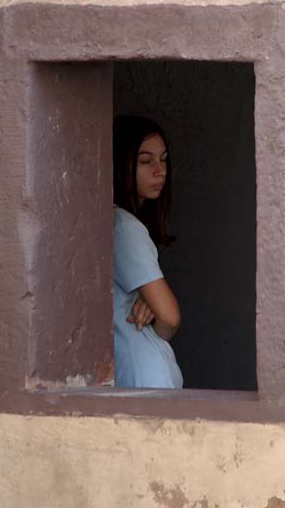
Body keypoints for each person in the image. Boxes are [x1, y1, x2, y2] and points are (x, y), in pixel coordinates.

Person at [112, 115, 183, 389]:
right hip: (145, 371)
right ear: (120, 164)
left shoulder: (122, 224)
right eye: (145, 161)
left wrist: (151, 301)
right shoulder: (124, 226)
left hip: (138, 372)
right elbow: (170, 318)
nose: (159, 170)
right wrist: (157, 312)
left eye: (163, 159)